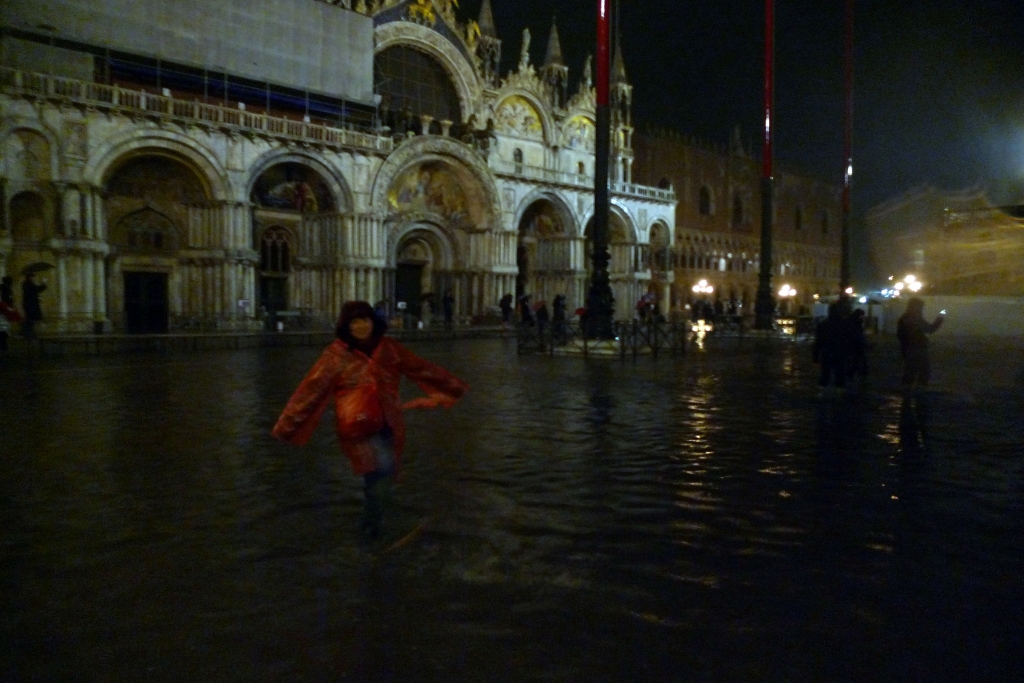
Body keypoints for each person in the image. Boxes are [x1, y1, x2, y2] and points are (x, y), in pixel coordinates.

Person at [272, 301, 468, 540]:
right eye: (355, 321)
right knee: (382, 469)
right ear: (347, 326)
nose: (361, 326)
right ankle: (372, 528)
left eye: (365, 320)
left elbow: (421, 368)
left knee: (378, 474)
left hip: (388, 419)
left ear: (373, 321)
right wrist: (287, 426)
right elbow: (310, 391)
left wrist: (452, 387)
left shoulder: (389, 348)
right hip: (358, 423)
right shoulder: (335, 356)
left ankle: (373, 521)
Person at [897, 298, 944, 391]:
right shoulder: (914, 318)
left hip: (911, 348)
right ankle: (916, 393)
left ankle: (908, 392)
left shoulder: (906, 318)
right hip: (916, 348)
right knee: (921, 370)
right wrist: (940, 318)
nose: (921, 309)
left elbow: (901, 335)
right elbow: (930, 329)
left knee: (912, 370)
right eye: (920, 307)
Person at [813, 302, 850, 389]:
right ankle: (840, 395)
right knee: (840, 375)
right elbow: (849, 340)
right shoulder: (845, 324)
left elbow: (818, 342)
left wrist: (815, 357)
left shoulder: (823, 325)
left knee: (825, 374)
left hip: (827, 353)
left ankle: (822, 392)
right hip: (840, 352)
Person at [21, 272, 47, 339]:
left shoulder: (27, 284)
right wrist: (43, 283)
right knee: (31, 319)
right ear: (30, 277)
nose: (34, 278)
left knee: (30, 318)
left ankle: (28, 332)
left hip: (30, 304)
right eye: (33, 277)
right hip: (30, 304)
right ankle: (28, 333)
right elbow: (37, 289)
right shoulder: (28, 284)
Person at [0, 276, 14, 352]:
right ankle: (3, 345)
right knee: (4, 327)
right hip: (5, 310)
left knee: (3, 327)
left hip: (4, 310)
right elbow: (7, 299)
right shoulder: (6, 289)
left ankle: (3, 344)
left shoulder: (5, 288)